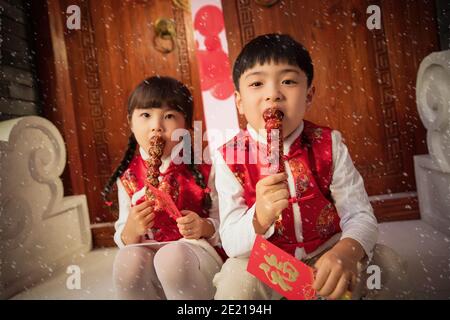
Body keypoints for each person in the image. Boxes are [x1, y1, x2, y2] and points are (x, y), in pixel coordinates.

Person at [213, 34, 405, 300]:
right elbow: (232, 242)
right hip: (269, 265)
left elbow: (360, 215)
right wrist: (259, 217)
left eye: (288, 81)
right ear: (239, 102)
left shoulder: (329, 143)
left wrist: (344, 253)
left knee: (389, 266)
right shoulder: (229, 156)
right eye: (257, 83)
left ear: (309, 94)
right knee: (236, 281)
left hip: (326, 254)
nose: (273, 95)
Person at [103, 76, 224, 300]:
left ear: (186, 126)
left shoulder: (206, 168)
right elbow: (124, 235)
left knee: (171, 257)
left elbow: (223, 224)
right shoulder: (127, 176)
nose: (156, 127)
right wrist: (132, 228)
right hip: (148, 254)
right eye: (146, 115)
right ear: (130, 122)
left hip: (195, 256)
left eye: (169, 116)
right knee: (127, 262)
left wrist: (203, 227)